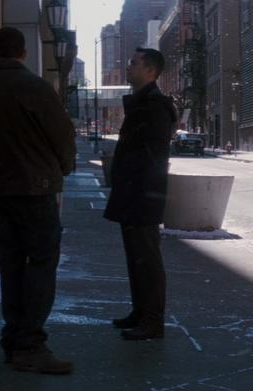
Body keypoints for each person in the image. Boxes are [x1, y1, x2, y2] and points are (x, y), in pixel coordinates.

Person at [0, 26, 76, 375]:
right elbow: (62, 135)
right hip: (36, 188)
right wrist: (62, 167)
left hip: (2, 188)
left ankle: (14, 340)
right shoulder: (35, 88)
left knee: (12, 265)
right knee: (42, 262)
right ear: (23, 53)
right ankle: (31, 344)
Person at [103, 48, 177, 340]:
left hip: (143, 194)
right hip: (134, 192)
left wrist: (133, 183)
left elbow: (150, 157)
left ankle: (153, 320)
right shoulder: (143, 104)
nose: (128, 67)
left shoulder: (154, 106)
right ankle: (140, 311)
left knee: (147, 258)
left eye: (134, 63)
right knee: (135, 257)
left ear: (150, 71)